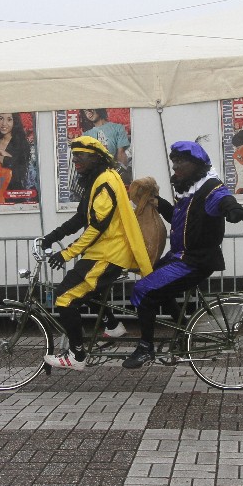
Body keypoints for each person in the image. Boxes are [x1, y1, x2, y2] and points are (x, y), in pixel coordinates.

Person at [122, 142, 243, 368]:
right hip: (180, 257)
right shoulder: (189, 191)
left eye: (181, 161)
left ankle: (145, 348)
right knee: (155, 285)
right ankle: (185, 329)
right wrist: (158, 203)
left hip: (194, 262)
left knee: (143, 290)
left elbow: (223, 199)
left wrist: (235, 210)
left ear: (196, 164)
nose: (175, 166)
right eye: (174, 161)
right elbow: (178, 219)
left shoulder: (210, 188)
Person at [40, 136, 152, 370]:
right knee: (85, 290)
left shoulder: (105, 182)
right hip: (102, 250)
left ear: (96, 157)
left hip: (109, 252)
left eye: (81, 155)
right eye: (74, 156)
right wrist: (52, 237)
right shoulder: (97, 179)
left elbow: (97, 227)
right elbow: (82, 217)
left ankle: (77, 356)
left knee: (65, 297)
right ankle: (112, 326)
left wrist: (67, 253)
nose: (75, 160)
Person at [80, 109, 131, 176]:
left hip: (113, 173)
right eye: (85, 112)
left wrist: (120, 173)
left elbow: (121, 153)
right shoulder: (86, 134)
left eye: (90, 110)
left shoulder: (118, 128)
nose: (89, 114)